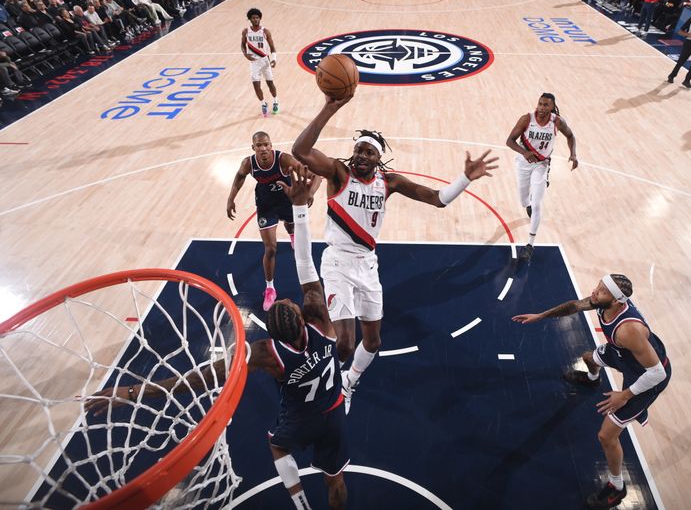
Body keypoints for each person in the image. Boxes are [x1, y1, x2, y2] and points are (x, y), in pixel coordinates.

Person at [87, 167, 348, 510]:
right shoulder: (321, 324)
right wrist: (300, 209)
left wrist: (133, 392)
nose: (286, 298)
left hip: (301, 419)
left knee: (278, 446)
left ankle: (300, 505)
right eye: (287, 302)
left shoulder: (266, 353)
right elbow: (305, 262)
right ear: (302, 317)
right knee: (336, 481)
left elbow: (197, 379)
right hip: (334, 412)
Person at [292, 95, 498, 414]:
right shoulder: (338, 173)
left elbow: (438, 199)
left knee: (372, 342)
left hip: (368, 267)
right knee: (345, 343)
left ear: (379, 158)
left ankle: (349, 383)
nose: (361, 155)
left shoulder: (390, 183)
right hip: (336, 264)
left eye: (369, 151)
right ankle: (319, 384)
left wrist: (465, 178)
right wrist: (330, 108)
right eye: (359, 149)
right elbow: (300, 152)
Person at [512, 274, 671, 509]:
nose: (595, 292)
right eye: (599, 285)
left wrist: (624, 394)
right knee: (589, 357)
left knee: (606, 436)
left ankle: (617, 487)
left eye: (602, 291)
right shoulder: (604, 301)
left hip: (647, 378)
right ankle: (592, 379)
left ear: (617, 301)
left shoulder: (628, 331)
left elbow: (657, 373)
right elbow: (574, 306)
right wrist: (540, 316)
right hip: (624, 354)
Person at [227, 131, 317, 311]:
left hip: (287, 200)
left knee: (290, 224)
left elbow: (315, 175)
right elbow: (239, 177)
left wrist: (310, 192)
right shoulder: (248, 163)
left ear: (271, 145)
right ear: (253, 148)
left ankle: (291, 234)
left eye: (266, 144)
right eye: (259, 146)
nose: (263, 148)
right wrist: (231, 198)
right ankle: (269, 288)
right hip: (266, 205)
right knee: (270, 248)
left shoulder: (284, 160)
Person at [505, 93, 578, 262]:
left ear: (552, 107)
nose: (542, 107)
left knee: (537, 203)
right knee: (523, 200)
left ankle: (530, 244)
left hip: (541, 164)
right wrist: (524, 152)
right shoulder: (526, 119)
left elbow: (571, 136)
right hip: (523, 163)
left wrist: (573, 155)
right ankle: (527, 204)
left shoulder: (557, 122)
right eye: (540, 104)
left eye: (546, 105)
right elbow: (509, 141)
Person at [242, 7, 278, 117]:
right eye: (253, 18)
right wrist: (245, 54)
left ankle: (275, 101)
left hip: (265, 61)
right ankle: (263, 104)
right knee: (256, 86)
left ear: (260, 18)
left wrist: (274, 59)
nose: (256, 19)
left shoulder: (265, 31)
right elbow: (242, 45)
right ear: (250, 19)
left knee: (270, 84)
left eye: (257, 17)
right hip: (254, 63)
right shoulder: (246, 31)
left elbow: (272, 47)